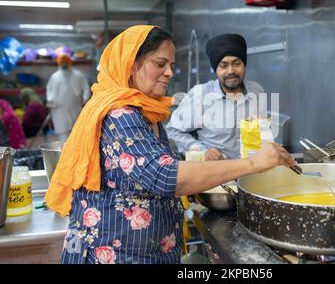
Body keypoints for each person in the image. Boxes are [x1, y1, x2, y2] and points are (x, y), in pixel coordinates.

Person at [44, 25, 294, 264]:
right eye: (160, 63)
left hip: (147, 252)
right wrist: (252, 162)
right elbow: (164, 175)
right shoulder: (121, 115)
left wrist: (198, 182)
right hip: (116, 252)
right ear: (131, 65)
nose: (170, 73)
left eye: (171, 65)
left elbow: (153, 172)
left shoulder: (146, 113)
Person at [166, 33, 265, 160]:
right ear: (216, 69)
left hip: (249, 169)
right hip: (216, 173)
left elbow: (261, 131)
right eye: (223, 65)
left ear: (244, 64)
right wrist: (202, 150)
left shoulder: (256, 91)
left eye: (236, 63)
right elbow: (172, 130)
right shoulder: (201, 94)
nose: (230, 71)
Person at [46, 54, 91, 136]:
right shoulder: (54, 77)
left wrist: (85, 99)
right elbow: (49, 90)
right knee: (63, 134)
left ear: (69, 62)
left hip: (75, 107)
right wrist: (51, 101)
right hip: (59, 110)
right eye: (62, 62)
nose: (64, 63)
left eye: (65, 61)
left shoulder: (78, 75)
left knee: (77, 133)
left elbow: (85, 88)